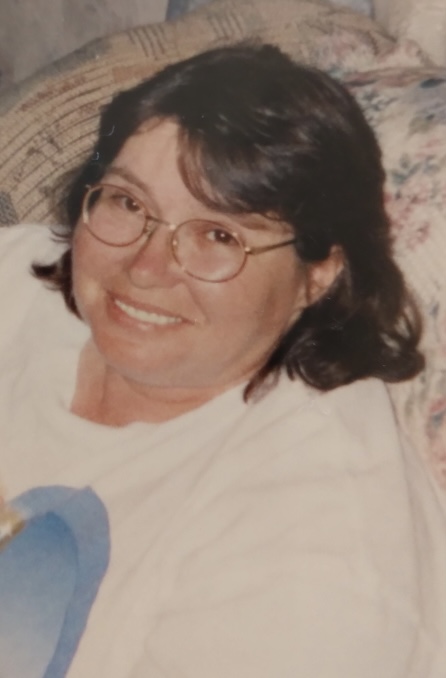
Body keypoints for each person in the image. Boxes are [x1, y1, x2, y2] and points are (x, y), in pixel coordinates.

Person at [0, 42, 445, 678]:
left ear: (318, 274)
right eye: (128, 203)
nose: (145, 267)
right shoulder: (17, 286)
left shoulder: (317, 543)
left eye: (218, 236)